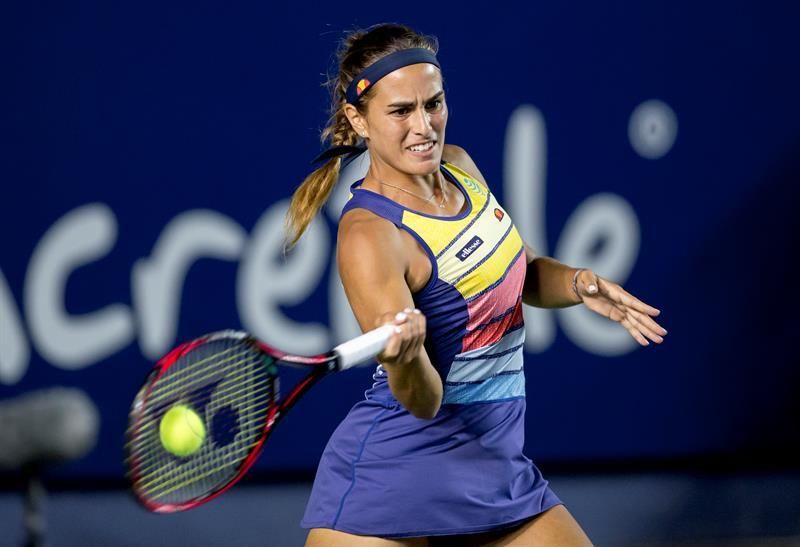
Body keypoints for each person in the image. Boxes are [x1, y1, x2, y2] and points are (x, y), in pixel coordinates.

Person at [286, 23, 666, 547]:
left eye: (433, 104)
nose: (424, 127)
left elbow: (522, 271)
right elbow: (421, 400)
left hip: (496, 465)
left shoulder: (460, 166)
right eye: (400, 111)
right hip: (395, 475)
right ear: (359, 120)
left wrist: (578, 284)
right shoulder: (369, 234)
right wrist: (406, 357)